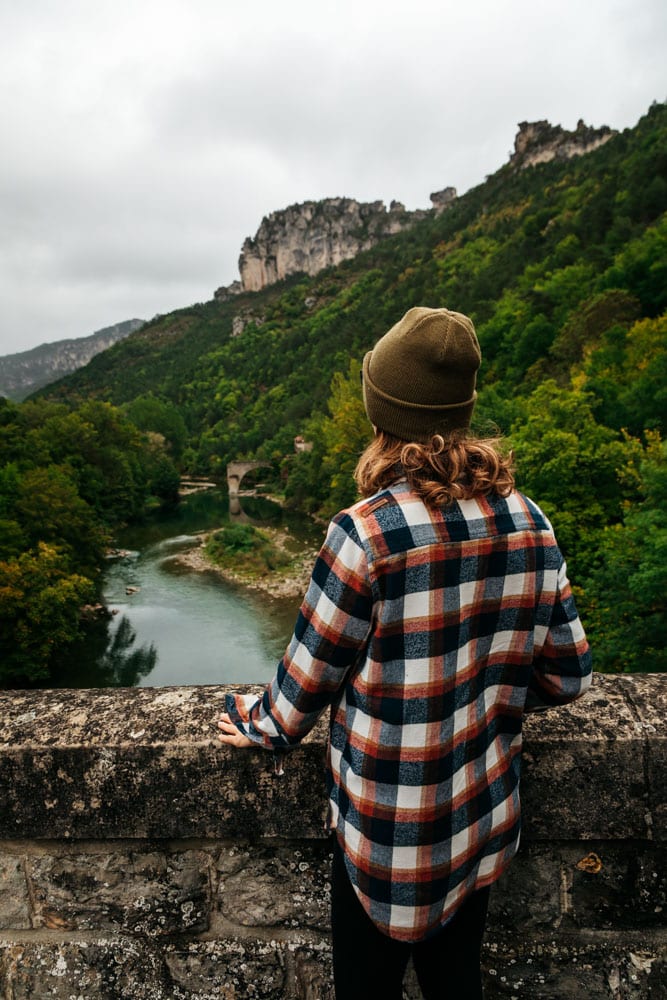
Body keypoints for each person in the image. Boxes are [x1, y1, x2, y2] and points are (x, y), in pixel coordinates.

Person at [217, 306, 592, 1000]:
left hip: (385, 834)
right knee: (457, 986)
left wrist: (252, 719)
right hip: (478, 818)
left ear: (380, 412)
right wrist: (490, 682)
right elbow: (567, 677)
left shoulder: (364, 534)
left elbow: (300, 694)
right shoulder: (528, 520)